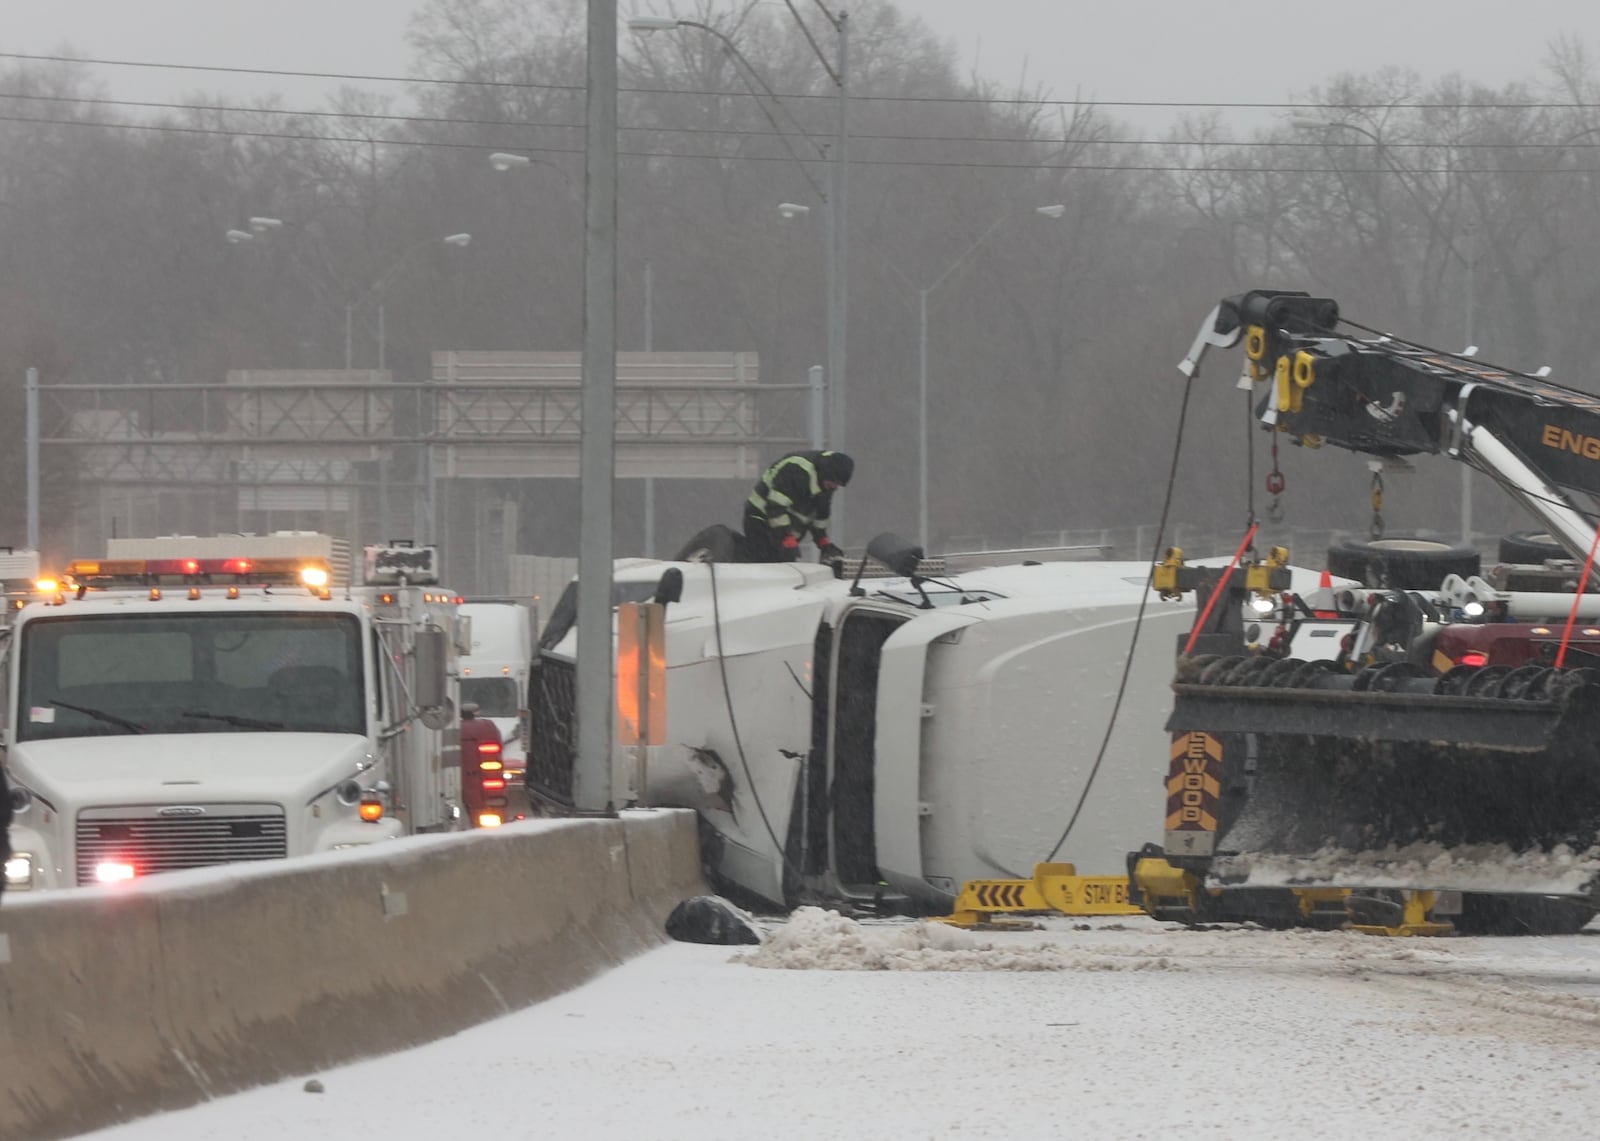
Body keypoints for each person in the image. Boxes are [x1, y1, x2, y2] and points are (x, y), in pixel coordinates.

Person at [742, 449, 853, 565]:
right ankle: (733, 552)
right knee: (762, 561)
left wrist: (822, 541)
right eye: (834, 482)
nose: (835, 487)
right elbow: (775, 508)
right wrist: (785, 537)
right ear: (826, 473)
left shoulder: (826, 484)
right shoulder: (796, 470)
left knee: (781, 563)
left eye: (838, 485)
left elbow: (821, 514)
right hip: (759, 516)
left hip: (786, 527)